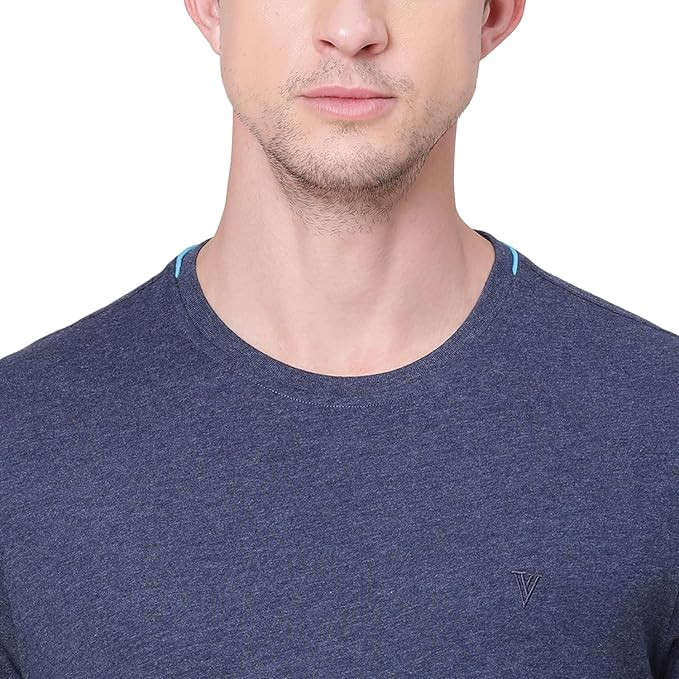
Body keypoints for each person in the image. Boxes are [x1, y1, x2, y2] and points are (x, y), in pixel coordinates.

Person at [1, 0, 677, 676]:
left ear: (494, 12)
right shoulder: (19, 445)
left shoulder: (657, 427)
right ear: (209, 6)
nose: (351, 29)